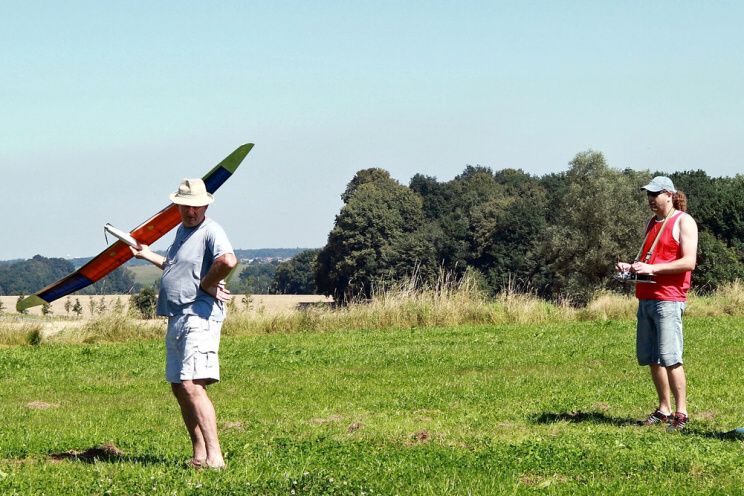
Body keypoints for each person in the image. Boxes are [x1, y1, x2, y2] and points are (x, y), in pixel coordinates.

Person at [131, 177, 237, 468]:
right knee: (179, 385)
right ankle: (199, 454)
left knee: (192, 385)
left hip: (199, 315)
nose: (192, 212)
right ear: (177, 206)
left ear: (205, 205)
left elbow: (227, 261)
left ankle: (215, 457)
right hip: (177, 315)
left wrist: (207, 284)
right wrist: (146, 254)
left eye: (197, 207)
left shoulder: (211, 230)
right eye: (186, 207)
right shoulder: (181, 232)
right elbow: (174, 266)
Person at [616, 176, 698, 431]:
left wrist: (652, 268)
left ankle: (681, 413)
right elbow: (649, 260)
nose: (650, 199)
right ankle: (664, 409)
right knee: (652, 357)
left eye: (655, 194)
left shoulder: (684, 221)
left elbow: (688, 262)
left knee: (671, 357)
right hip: (646, 297)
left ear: (669, 195)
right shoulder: (653, 223)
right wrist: (632, 267)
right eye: (648, 195)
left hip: (669, 298)